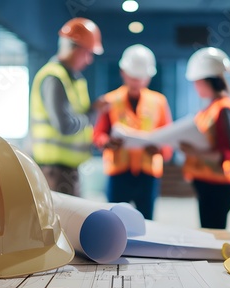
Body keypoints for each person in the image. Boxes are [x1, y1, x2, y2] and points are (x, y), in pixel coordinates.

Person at [93, 44, 173, 220]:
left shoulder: (159, 102)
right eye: (133, 77)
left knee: (147, 224)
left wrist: (160, 150)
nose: (137, 82)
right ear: (123, 72)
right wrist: (106, 142)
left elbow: (168, 139)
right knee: (114, 223)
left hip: (147, 175)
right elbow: (99, 134)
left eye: (141, 77)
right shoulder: (110, 100)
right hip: (118, 174)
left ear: (149, 77)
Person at [29, 17, 107, 196]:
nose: (89, 60)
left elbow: (78, 119)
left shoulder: (74, 78)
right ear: (75, 49)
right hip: (54, 171)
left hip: (67, 169)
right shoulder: (54, 78)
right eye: (88, 53)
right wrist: (94, 112)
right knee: (62, 222)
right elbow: (65, 125)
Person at [179, 47, 230, 229]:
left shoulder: (225, 109)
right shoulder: (210, 108)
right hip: (206, 187)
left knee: (214, 240)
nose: (195, 86)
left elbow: (227, 153)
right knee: (208, 236)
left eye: (197, 82)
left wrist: (195, 152)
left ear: (208, 80)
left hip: (218, 189)